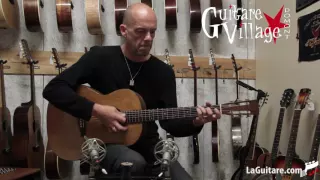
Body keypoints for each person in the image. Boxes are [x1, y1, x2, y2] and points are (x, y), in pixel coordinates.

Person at [42, 3, 221, 180]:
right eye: (141, 31)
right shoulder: (99, 58)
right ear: (124, 30)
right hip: (105, 143)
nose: (149, 38)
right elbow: (53, 89)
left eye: (153, 31)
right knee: (133, 163)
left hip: (149, 146)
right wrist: (97, 110)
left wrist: (196, 122)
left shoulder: (163, 72)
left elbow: (170, 123)